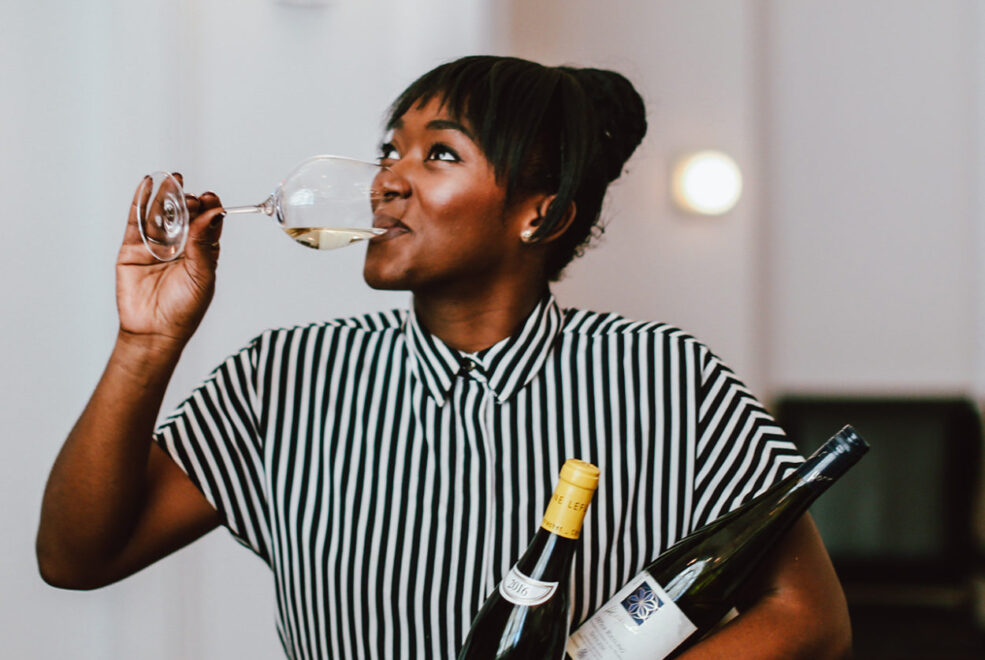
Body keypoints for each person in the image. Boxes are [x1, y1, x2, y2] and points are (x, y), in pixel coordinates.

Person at [37, 55, 851, 659]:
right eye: (390, 149)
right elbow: (77, 558)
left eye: (439, 154)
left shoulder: (666, 376)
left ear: (541, 213)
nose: (387, 180)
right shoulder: (282, 375)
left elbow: (807, 617)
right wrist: (146, 343)